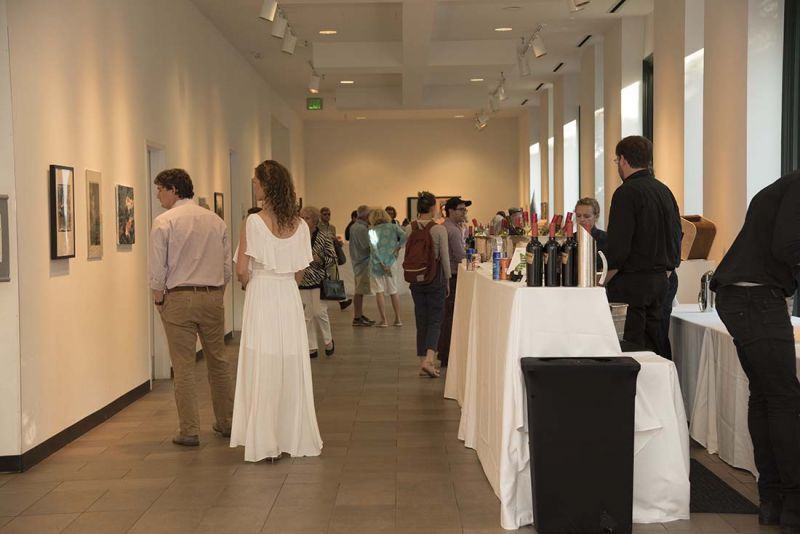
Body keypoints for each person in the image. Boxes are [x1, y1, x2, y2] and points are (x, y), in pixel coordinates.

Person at [711, 171, 800, 533]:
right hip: (755, 297)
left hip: (742, 296)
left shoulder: (784, 186)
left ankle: (772, 501)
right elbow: (788, 245)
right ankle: (793, 505)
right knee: (785, 400)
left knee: (765, 397)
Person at [230, 160, 322, 462]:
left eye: (255, 182)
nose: (253, 186)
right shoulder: (300, 226)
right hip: (288, 297)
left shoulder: (253, 222)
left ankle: (264, 440)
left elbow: (242, 269)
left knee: (262, 362)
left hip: (262, 295)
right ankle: (291, 435)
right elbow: (298, 274)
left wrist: (251, 281)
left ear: (265, 186)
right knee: (290, 364)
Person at [149, 168, 234, 447]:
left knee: (183, 365)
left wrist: (158, 297)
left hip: (179, 297)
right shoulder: (215, 221)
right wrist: (217, 291)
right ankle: (227, 422)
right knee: (218, 362)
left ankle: (189, 430)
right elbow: (225, 265)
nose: (158, 194)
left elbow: (158, 267)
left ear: (174, 189)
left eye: (160, 189)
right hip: (211, 295)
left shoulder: (164, 222)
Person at [604, 136, 681, 354]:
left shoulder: (625, 193)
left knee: (633, 348)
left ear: (622, 159)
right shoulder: (664, 191)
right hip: (661, 282)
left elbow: (619, 247)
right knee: (656, 344)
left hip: (631, 285)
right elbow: (677, 236)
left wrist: (601, 281)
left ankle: (638, 389)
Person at [405, 191, 451, 378]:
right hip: (435, 279)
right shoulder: (439, 229)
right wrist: (447, 279)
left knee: (421, 319)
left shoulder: (410, 228)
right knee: (435, 320)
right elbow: (445, 258)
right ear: (433, 208)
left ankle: (422, 361)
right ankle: (430, 361)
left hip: (416, 279)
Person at [437, 196, 471, 367]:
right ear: (450, 211)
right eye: (461, 209)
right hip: (453, 276)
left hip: (445, 276)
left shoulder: (444, 227)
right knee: (450, 315)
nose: (464, 212)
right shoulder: (453, 230)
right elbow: (460, 256)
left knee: (446, 315)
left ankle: (442, 351)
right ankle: (447, 354)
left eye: (465, 209)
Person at [299, 206, 336, 358]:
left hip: (318, 279)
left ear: (314, 220)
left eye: (307, 218)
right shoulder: (297, 236)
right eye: (302, 217)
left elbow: (333, 258)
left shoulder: (324, 236)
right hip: (302, 279)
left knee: (319, 312)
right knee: (307, 315)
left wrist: (319, 259)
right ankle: (311, 346)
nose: (303, 220)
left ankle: (328, 340)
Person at [368, 208, 407, 327]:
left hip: (376, 263)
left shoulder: (372, 231)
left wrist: (381, 263)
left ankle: (384, 320)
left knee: (379, 291)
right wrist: (397, 248)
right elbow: (405, 236)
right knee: (393, 290)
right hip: (391, 261)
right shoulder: (393, 227)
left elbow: (374, 249)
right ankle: (398, 319)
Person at [350, 205, 376, 326]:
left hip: (359, 262)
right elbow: (368, 246)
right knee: (359, 291)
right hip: (362, 262)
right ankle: (357, 317)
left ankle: (359, 315)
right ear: (366, 216)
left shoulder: (355, 226)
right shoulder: (361, 228)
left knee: (360, 291)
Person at [574, 197, 608, 262]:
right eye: (578, 216)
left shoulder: (606, 239)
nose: (582, 219)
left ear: (596, 217)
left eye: (586, 216)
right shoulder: (571, 241)